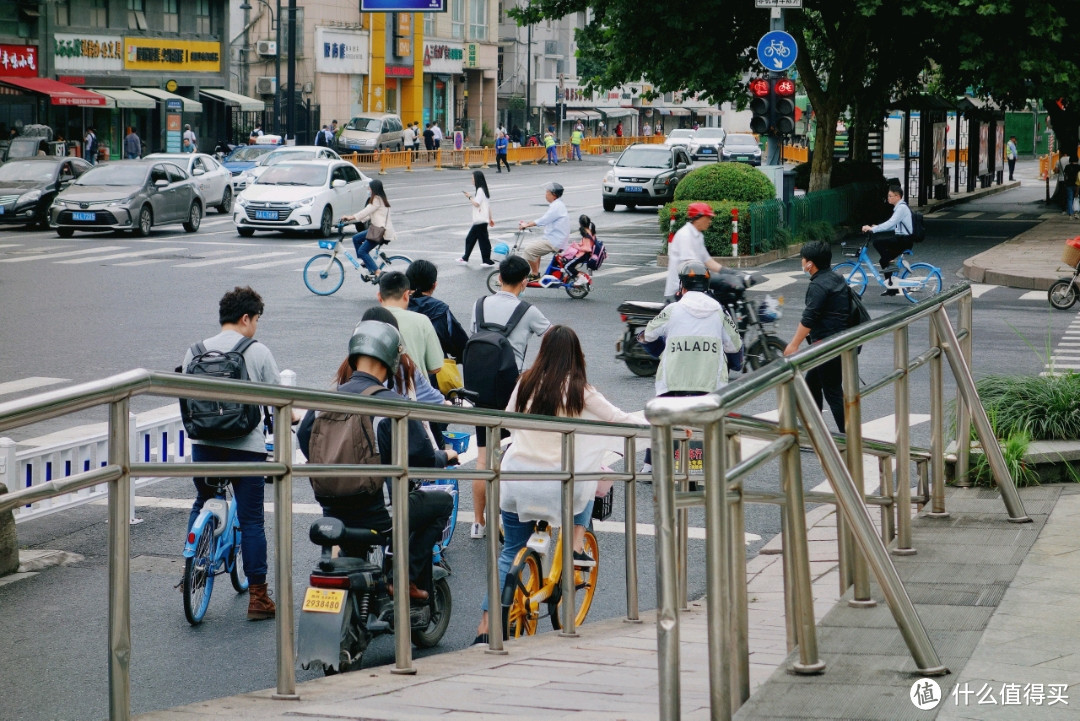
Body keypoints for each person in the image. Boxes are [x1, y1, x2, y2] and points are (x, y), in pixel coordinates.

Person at [472, 325, 644, 645]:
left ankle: (484, 627)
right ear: (576, 356)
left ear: (543, 353)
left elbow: (508, 421)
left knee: (510, 550)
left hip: (517, 483)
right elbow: (621, 420)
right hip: (558, 488)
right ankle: (576, 548)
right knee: (587, 476)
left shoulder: (525, 382)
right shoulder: (581, 390)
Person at [296, 320, 455, 601]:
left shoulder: (323, 400)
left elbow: (306, 439)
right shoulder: (391, 403)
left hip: (332, 508)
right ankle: (403, 578)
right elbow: (421, 455)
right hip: (379, 513)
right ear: (391, 360)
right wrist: (445, 456)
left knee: (352, 540)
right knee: (443, 502)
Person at [181, 286, 281, 620]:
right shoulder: (256, 351)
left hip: (204, 447)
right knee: (252, 520)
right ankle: (258, 598)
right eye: (256, 320)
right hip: (246, 450)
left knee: (201, 503)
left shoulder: (194, 351)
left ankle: (191, 572)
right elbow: (281, 399)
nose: (256, 327)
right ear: (245, 318)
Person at [468, 255, 551, 539]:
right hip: (509, 390)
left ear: (499, 277)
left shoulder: (480, 304)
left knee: (482, 458)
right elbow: (553, 338)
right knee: (507, 456)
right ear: (525, 282)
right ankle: (504, 522)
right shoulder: (527, 310)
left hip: (478, 388)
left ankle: (478, 523)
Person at [783, 241, 849, 433]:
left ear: (810, 264)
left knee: (833, 391)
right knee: (813, 384)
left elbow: (809, 318)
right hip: (835, 342)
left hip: (826, 345)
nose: (802, 262)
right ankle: (814, 429)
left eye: (803, 259)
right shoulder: (836, 278)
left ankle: (850, 436)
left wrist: (794, 344)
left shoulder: (818, 285)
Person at [376, 271, 445, 380]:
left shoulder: (367, 321)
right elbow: (435, 367)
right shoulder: (421, 321)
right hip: (414, 390)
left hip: (375, 390)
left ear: (379, 296)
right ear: (406, 295)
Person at [406, 259, 470, 365]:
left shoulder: (397, 306)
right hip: (434, 370)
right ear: (434, 285)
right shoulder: (440, 309)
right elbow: (460, 344)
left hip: (401, 372)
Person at [664, 202, 724, 303]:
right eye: (708, 217)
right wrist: (718, 279)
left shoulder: (698, 235)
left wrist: (727, 272)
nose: (710, 221)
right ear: (698, 218)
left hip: (694, 287)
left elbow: (707, 260)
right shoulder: (685, 235)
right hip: (680, 291)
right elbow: (692, 267)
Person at [860, 184, 913, 296]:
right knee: (883, 261)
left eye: (890, 196)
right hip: (901, 239)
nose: (888, 198)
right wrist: (875, 227)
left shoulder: (901, 208)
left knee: (877, 242)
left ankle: (889, 260)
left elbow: (890, 223)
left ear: (897, 196)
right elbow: (893, 226)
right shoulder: (900, 207)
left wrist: (873, 229)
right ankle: (892, 288)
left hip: (903, 240)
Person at [341, 179, 396, 279]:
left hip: (380, 232)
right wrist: (354, 220)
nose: (368, 189)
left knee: (362, 251)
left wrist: (351, 217)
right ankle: (365, 262)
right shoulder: (381, 199)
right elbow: (369, 215)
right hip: (378, 229)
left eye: (369, 187)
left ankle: (377, 272)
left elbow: (366, 211)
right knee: (356, 238)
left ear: (374, 189)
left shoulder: (377, 199)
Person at [518, 182, 570, 281]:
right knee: (536, 249)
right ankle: (535, 273)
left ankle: (535, 274)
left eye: (547, 192)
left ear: (553, 195)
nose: (545, 194)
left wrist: (527, 224)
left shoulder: (556, 207)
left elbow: (543, 220)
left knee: (529, 250)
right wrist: (528, 223)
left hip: (554, 241)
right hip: (556, 239)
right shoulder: (558, 204)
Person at [458, 170, 496, 267]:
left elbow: (476, 203)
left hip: (480, 221)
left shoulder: (480, 190)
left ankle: (487, 260)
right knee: (474, 239)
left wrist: (469, 197)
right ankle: (466, 258)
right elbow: (488, 206)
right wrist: (490, 218)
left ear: (477, 179)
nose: (472, 180)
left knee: (480, 241)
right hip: (483, 220)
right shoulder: (484, 190)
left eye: (473, 178)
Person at [561, 214, 597, 280]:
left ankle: (580, 278)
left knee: (567, 267)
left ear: (580, 224)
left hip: (583, 255)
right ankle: (576, 275)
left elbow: (587, 248)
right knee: (568, 262)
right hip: (587, 255)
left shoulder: (586, 234)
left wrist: (577, 247)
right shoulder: (591, 232)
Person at [1062, 155, 1080, 219]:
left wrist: (1065, 182)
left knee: (1070, 199)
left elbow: (1065, 176)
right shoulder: (1079, 167)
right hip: (1077, 185)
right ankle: (1076, 213)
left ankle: (1070, 214)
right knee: (1077, 198)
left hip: (1069, 185)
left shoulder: (1067, 167)